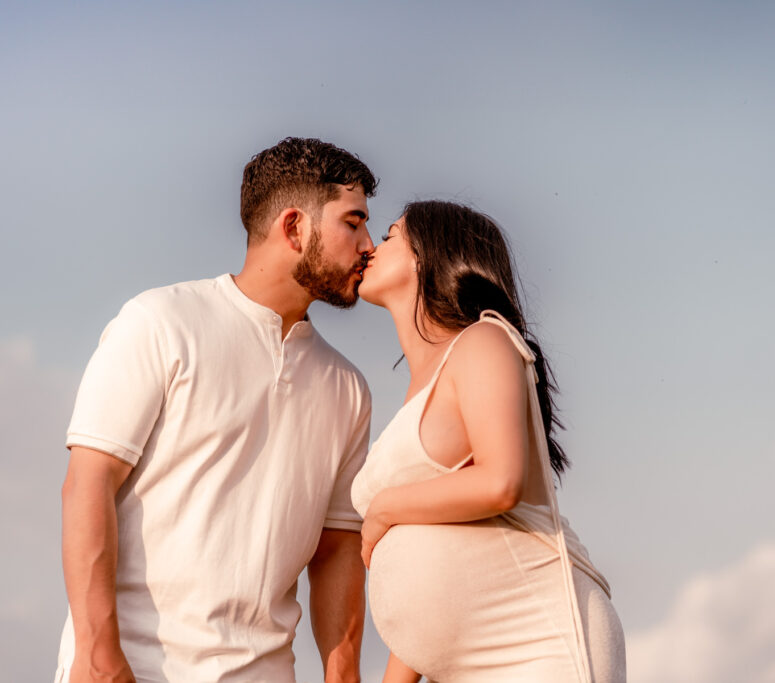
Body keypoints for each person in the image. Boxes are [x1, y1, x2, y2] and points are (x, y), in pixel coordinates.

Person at [55, 137, 378, 683]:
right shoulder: (160, 321)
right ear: (295, 227)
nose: (370, 244)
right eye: (353, 222)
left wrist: (343, 673)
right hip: (135, 668)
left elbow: (337, 547)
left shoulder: (349, 387)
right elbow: (88, 485)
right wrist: (96, 654)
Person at [351, 200, 626, 682]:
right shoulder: (414, 398)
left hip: (538, 642)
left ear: (428, 254)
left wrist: (384, 509)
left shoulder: (484, 341)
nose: (372, 246)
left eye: (391, 235)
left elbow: (500, 482)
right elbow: (443, 586)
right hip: (464, 662)